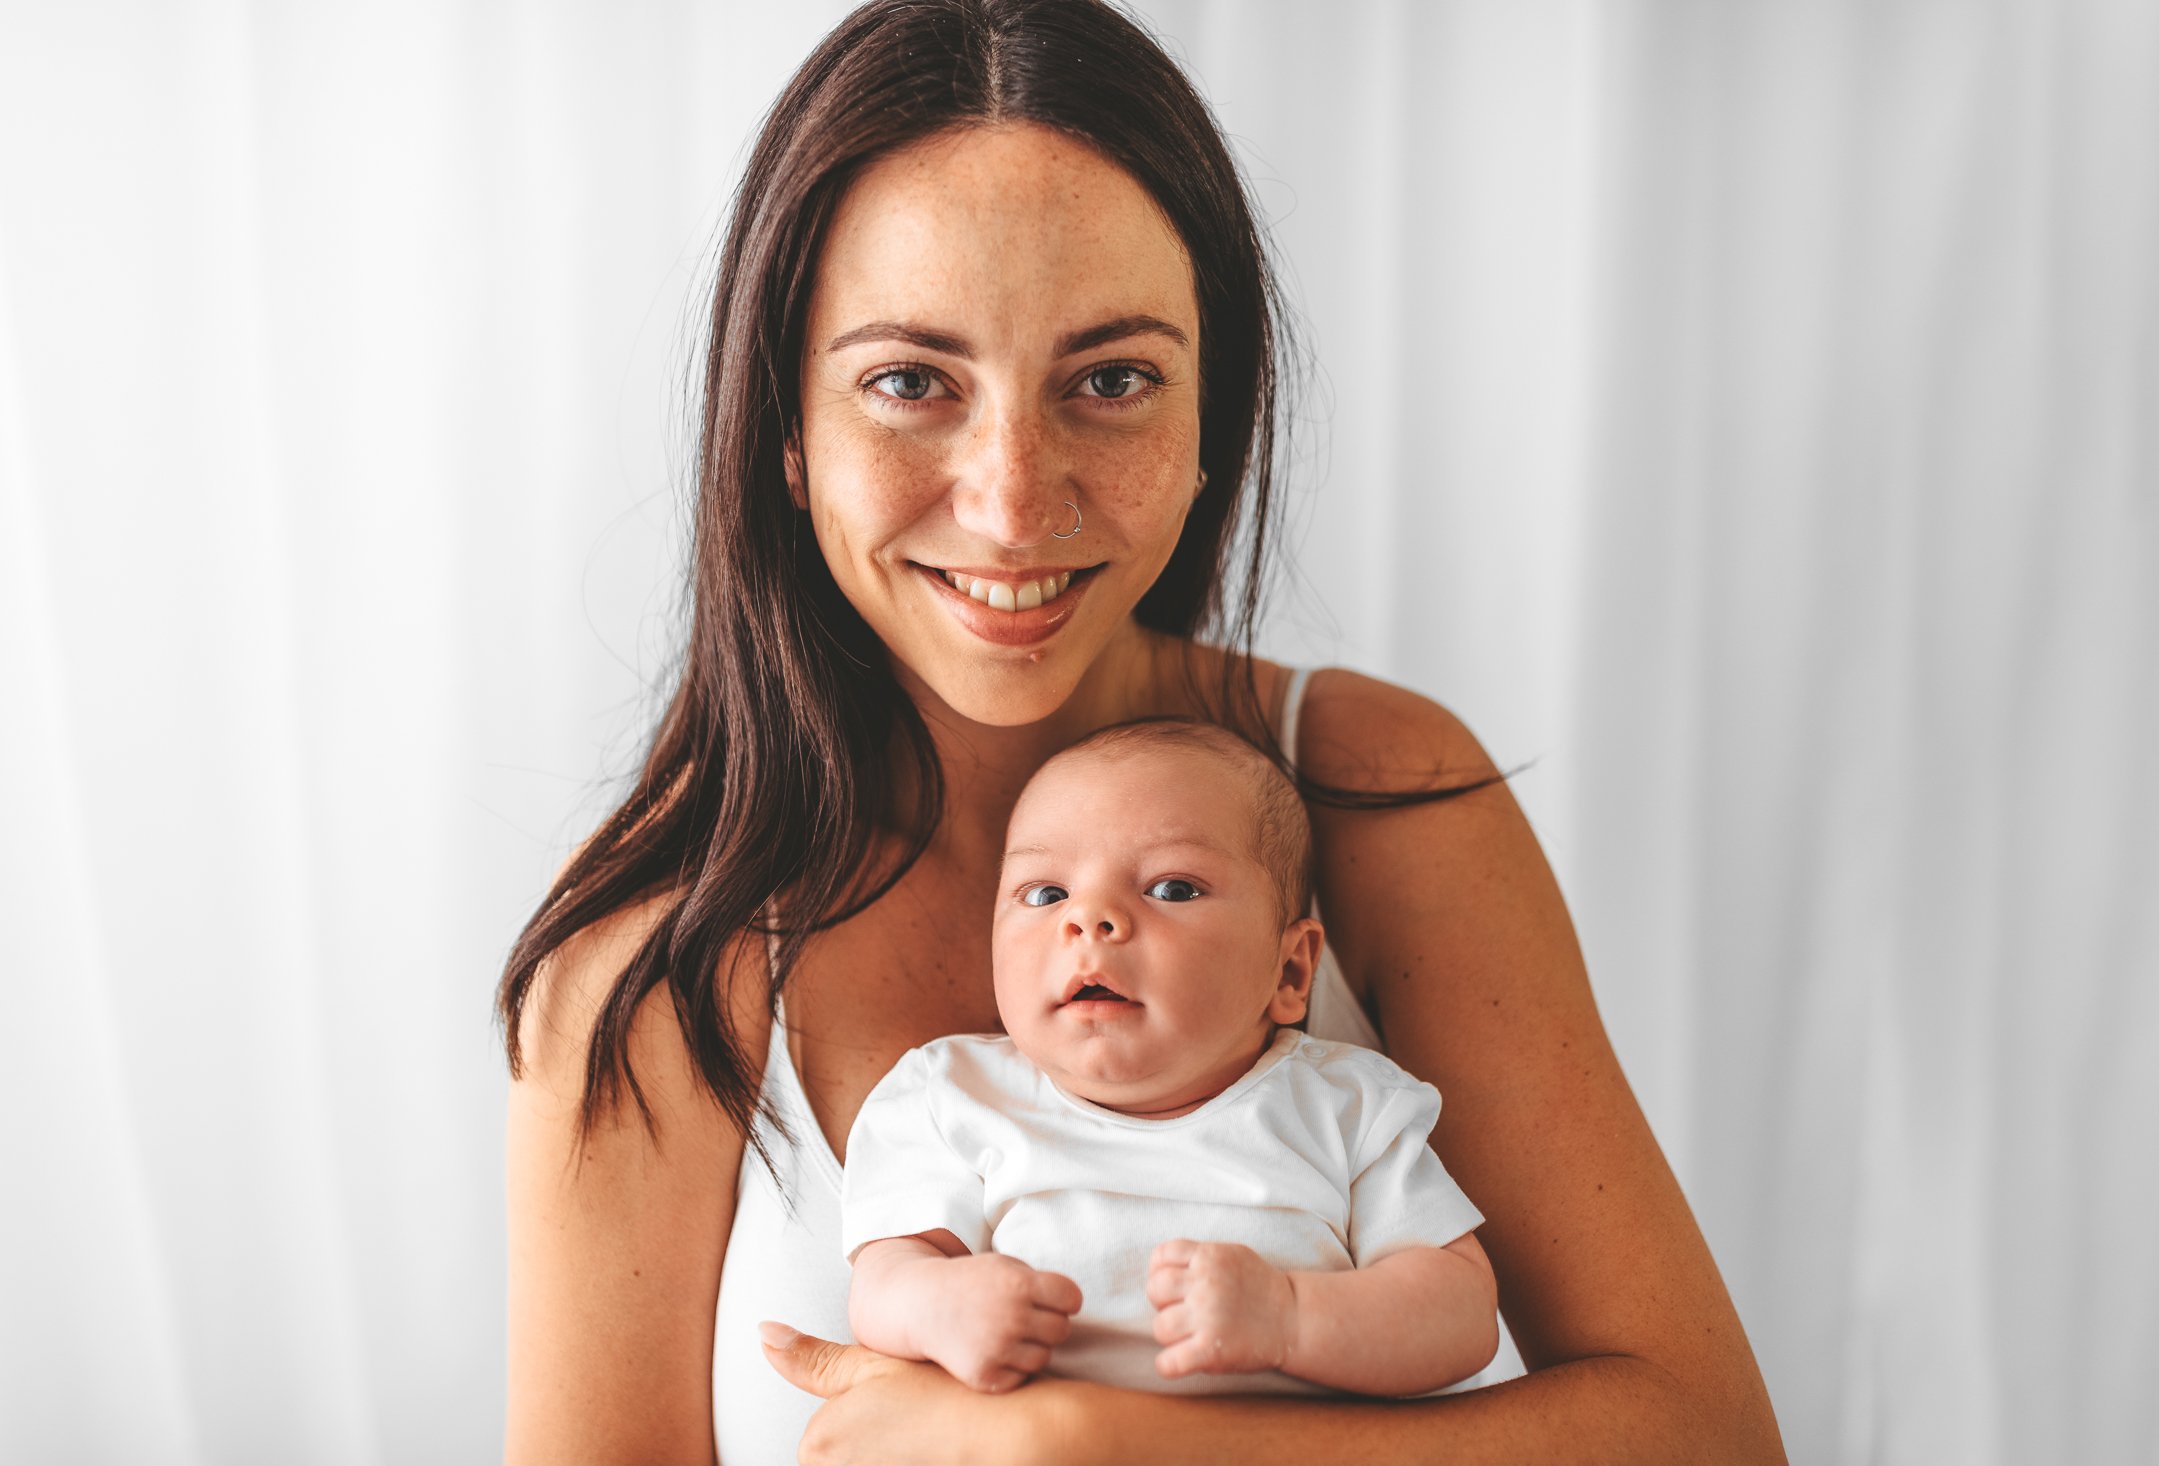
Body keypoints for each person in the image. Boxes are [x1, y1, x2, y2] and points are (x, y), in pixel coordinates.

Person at [499, 1, 1788, 1462]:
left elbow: (1712, 1434)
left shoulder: (1370, 789)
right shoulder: (653, 955)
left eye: (1110, 380)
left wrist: (1106, 1445)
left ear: (1210, 418)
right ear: (785, 433)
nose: (1010, 500)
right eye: (910, 383)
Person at [841, 720, 1500, 1399]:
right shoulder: (957, 1096)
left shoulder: (1348, 1109)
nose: (1090, 919)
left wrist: (1290, 1316)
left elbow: (1460, 1309)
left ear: (1290, 972)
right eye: (1045, 894)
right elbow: (882, 1277)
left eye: (1172, 889)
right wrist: (940, 1304)